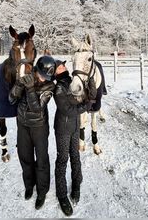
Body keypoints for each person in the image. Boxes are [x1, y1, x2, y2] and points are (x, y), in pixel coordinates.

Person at [9, 55, 56, 210]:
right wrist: (18, 84)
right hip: (23, 125)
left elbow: (37, 108)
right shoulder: (27, 78)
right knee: (25, 157)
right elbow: (11, 99)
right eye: (42, 75)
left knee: (41, 159)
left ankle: (42, 191)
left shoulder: (50, 86)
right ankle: (29, 185)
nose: (44, 79)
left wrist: (29, 89)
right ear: (36, 70)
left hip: (39, 127)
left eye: (46, 77)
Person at [53, 59, 92, 216]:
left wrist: (90, 92)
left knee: (75, 157)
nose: (64, 67)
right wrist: (85, 106)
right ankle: (62, 195)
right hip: (63, 129)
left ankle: (77, 184)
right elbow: (67, 109)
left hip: (75, 127)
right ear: (55, 72)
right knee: (63, 160)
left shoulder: (72, 81)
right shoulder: (58, 88)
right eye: (60, 66)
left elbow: (82, 94)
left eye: (63, 65)